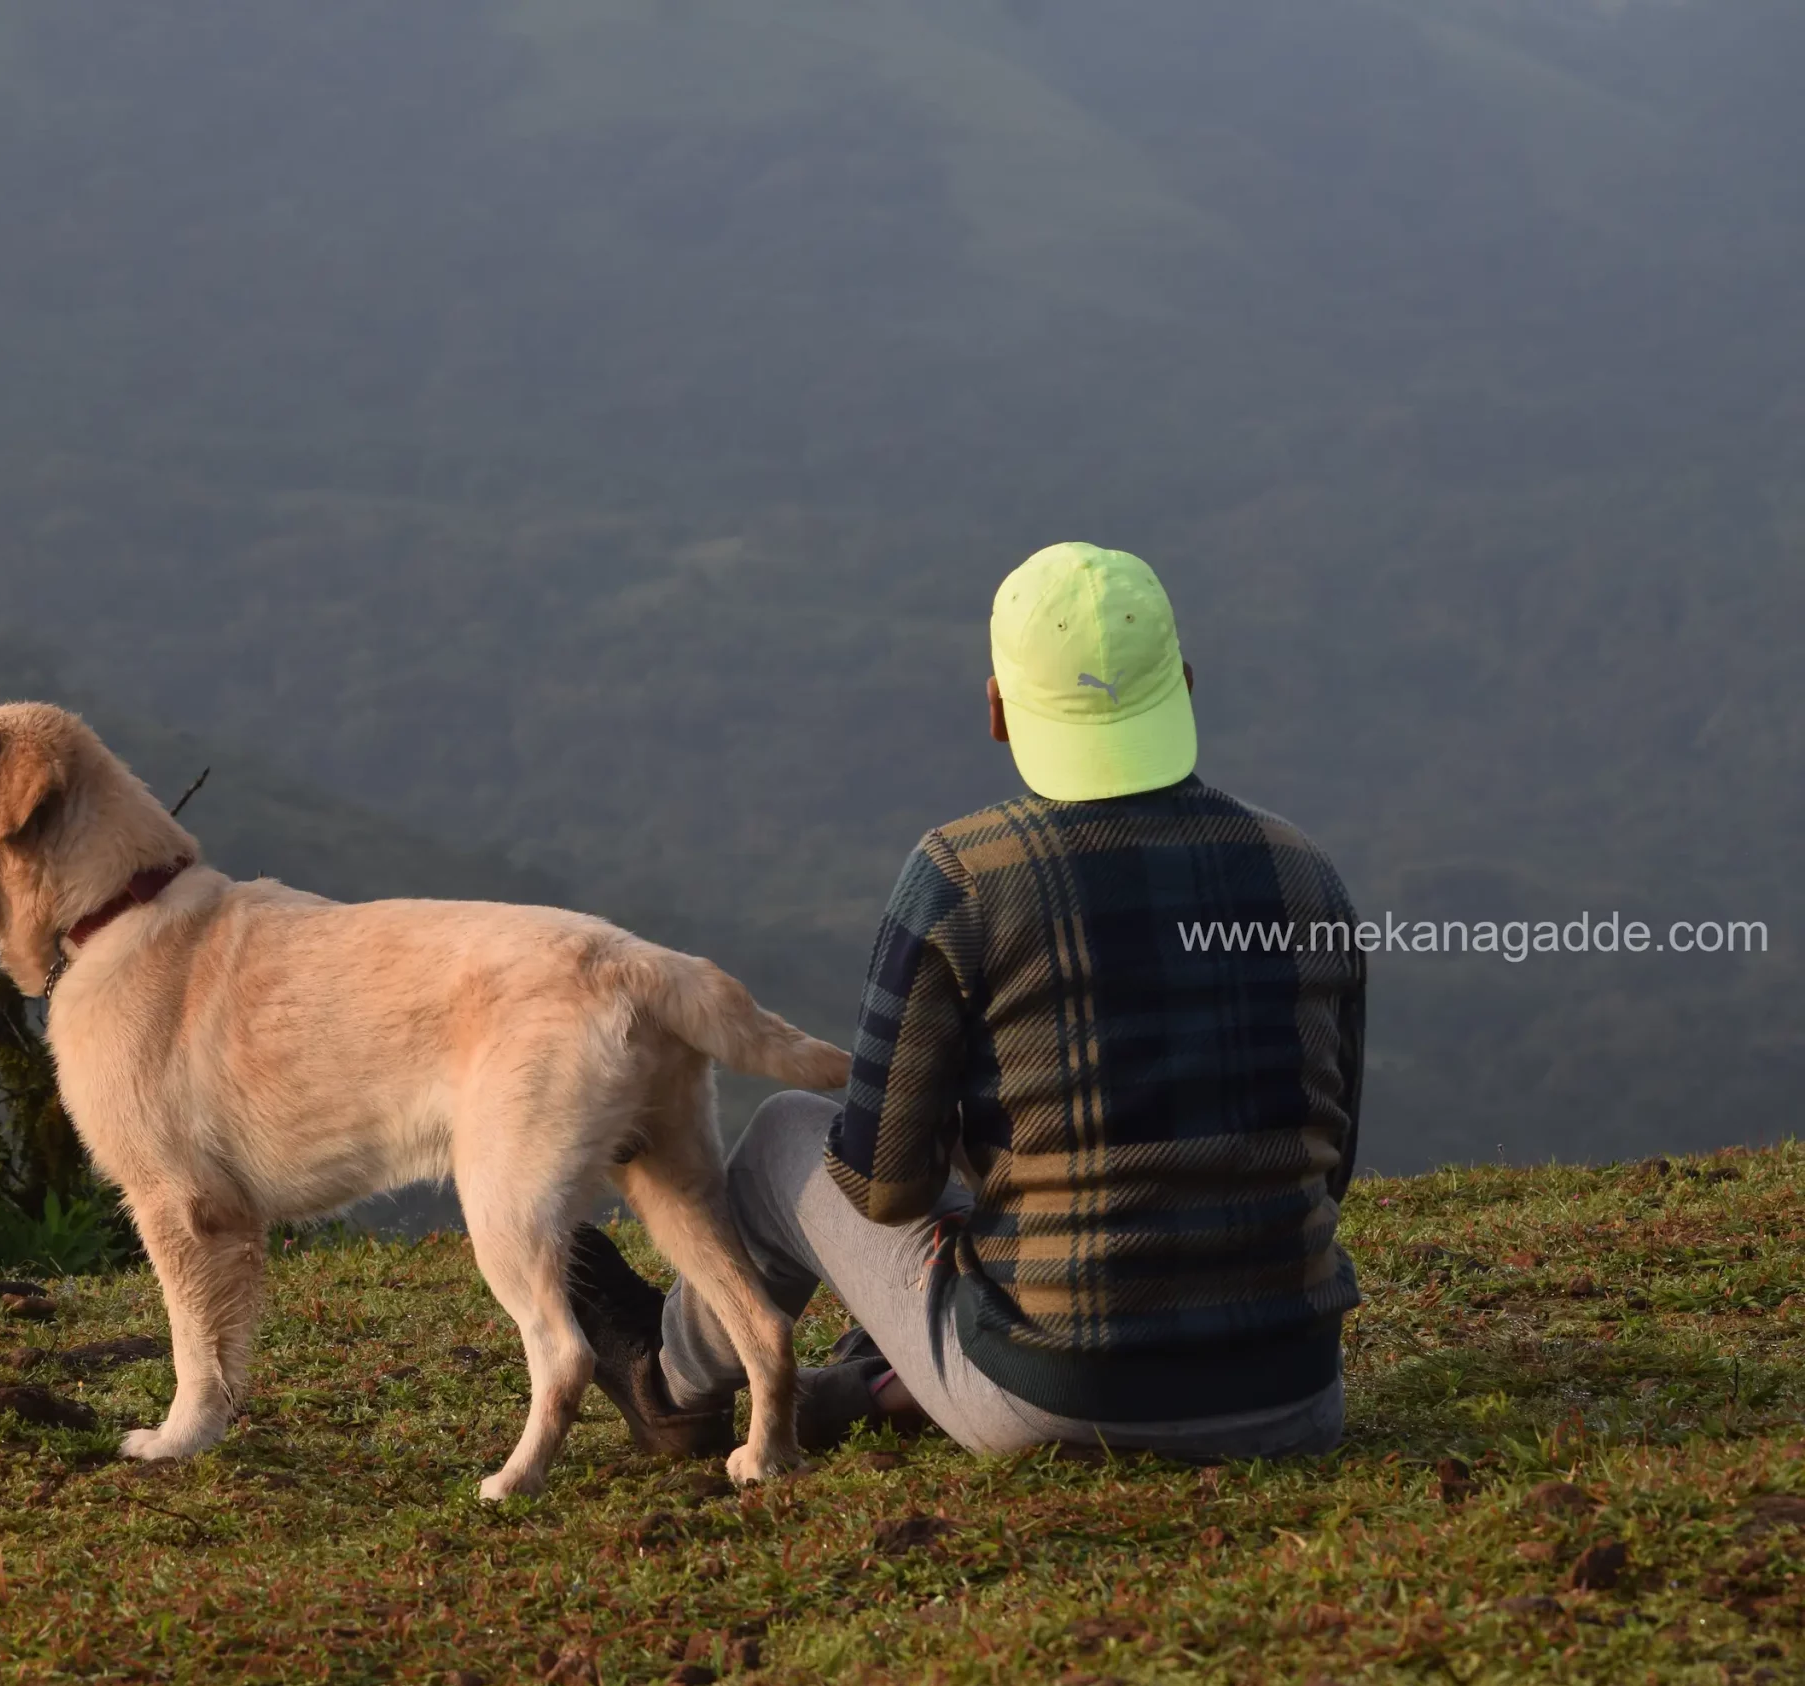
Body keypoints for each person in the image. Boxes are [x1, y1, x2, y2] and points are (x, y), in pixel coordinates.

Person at [569, 543, 1366, 1462]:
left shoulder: (965, 877)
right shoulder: (1304, 872)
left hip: (1058, 1398)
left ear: (997, 709)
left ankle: (668, 1379)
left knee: (788, 1133)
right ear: (1183, 683)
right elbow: (1331, 1158)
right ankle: (877, 1380)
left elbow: (881, 1184)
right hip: (1296, 1398)